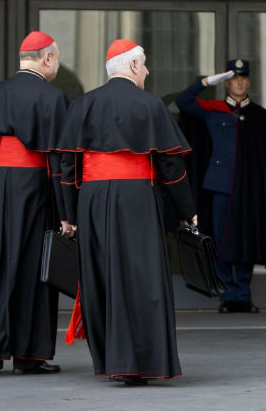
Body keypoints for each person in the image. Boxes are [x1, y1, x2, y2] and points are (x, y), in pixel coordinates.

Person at [58, 39, 197, 385]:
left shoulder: (82, 105)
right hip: (136, 198)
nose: (147, 70)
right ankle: (139, 362)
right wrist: (187, 212)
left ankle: (109, 361)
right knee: (141, 278)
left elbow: (66, 165)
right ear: (133, 66)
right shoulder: (150, 106)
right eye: (145, 64)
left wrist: (70, 215)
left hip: (91, 201)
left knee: (101, 276)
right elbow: (170, 166)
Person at [0, 31, 68, 374]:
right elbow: (59, 161)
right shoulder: (53, 97)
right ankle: (27, 355)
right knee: (32, 266)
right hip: (34, 186)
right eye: (57, 59)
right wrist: (66, 212)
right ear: (47, 59)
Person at [176, 59, 266, 314]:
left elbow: (265, 160)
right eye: (234, 78)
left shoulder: (261, 116)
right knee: (222, 241)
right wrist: (205, 82)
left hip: (249, 189)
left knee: (247, 241)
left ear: (248, 81)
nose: (239, 82)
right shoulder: (214, 110)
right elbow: (183, 103)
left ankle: (244, 295)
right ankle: (227, 295)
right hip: (221, 186)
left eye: (243, 78)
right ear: (226, 82)